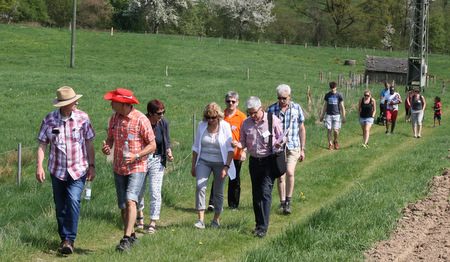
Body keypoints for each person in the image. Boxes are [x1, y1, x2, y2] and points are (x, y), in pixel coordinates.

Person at [36, 86, 96, 255]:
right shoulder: (49, 120)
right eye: (72, 101)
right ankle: (64, 240)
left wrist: (92, 166)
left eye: (76, 100)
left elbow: (89, 143)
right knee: (60, 206)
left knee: (74, 200)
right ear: (63, 105)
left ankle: (70, 239)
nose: (76, 102)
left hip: (78, 169)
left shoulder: (83, 118)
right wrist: (39, 166)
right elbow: (42, 144)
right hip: (57, 170)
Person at [101, 88, 156, 253]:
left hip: (137, 167)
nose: (111, 104)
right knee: (123, 206)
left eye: (114, 102)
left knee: (130, 200)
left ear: (123, 104)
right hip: (118, 167)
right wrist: (107, 147)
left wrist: (136, 155)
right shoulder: (114, 119)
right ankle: (132, 236)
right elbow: (110, 138)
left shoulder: (141, 119)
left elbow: (152, 145)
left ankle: (125, 240)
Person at [231, 96, 284, 238]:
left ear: (261, 109)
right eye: (250, 113)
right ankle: (258, 224)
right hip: (254, 162)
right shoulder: (246, 123)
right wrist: (238, 145)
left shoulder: (273, 121)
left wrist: (280, 144)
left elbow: (282, 137)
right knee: (256, 195)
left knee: (265, 193)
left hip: (269, 161)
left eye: (254, 113)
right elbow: (243, 142)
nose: (252, 116)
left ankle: (263, 228)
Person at [191, 102, 235, 229]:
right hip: (204, 161)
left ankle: (216, 218)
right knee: (200, 186)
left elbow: (230, 149)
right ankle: (201, 220)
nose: (211, 120)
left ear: (219, 116)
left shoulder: (225, 126)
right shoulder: (201, 126)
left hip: (220, 162)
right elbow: (196, 147)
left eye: (214, 117)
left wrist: (226, 167)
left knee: (218, 191)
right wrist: (193, 166)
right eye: (208, 118)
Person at [267, 84, 306, 215]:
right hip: (278, 147)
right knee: (280, 175)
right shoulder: (272, 110)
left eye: (284, 98)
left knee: (289, 172)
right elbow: (267, 131)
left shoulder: (296, 108)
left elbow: (301, 128)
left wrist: (302, 148)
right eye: (279, 98)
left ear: (289, 96)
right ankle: (282, 201)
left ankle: (288, 201)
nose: (281, 101)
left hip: (293, 145)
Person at [136, 99, 173, 234]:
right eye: (159, 113)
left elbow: (166, 141)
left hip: (157, 160)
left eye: (163, 112)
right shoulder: (142, 122)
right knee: (139, 190)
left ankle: (153, 221)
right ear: (150, 113)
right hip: (141, 159)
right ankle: (140, 214)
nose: (162, 115)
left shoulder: (163, 123)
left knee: (155, 191)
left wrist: (169, 152)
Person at [208, 92, 247, 211]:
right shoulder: (220, 115)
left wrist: (243, 151)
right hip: (221, 154)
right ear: (225, 102)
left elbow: (246, 136)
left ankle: (233, 204)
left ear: (237, 102)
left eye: (233, 101)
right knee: (218, 177)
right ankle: (212, 203)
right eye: (228, 101)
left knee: (235, 179)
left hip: (236, 154)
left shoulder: (242, 117)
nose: (231, 103)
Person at [319, 81, 346, 150]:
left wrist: (344, 116)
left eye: (333, 87)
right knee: (329, 129)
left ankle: (335, 141)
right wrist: (322, 115)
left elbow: (342, 106)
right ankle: (330, 144)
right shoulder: (327, 95)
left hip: (337, 114)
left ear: (336, 87)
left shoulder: (339, 95)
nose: (332, 89)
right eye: (331, 88)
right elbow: (325, 105)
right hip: (328, 115)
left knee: (336, 130)